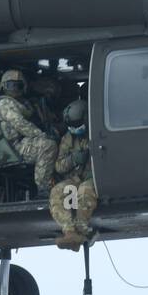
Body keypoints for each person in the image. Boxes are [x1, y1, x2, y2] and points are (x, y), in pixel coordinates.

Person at [0, 69, 58, 193]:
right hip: (13, 147)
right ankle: (44, 188)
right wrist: (41, 135)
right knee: (48, 146)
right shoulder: (5, 103)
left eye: (18, 86)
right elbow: (20, 124)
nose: (14, 89)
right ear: (3, 86)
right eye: (10, 85)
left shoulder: (23, 104)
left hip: (21, 142)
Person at [49, 99, 97, 250]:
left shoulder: (97, 133)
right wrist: (73, 159)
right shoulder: (68, 139)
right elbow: (59, 166)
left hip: (94, 178)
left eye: (79, 126)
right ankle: (70, 232)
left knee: (84, 191)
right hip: (76, 178)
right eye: (72, 127)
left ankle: (81, 228)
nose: (76, 130)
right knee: (59, 191)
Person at [29, 73, 63, 142]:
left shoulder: (47, 103)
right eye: (49, 88)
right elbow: (41, 124)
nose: (51, 92)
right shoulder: (33, 104)